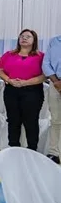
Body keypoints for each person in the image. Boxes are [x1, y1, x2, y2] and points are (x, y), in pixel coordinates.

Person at [0, 29, 46, 151]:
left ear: (34, 40)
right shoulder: (9, 54)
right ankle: (13, 147)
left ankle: (32, 149)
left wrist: (25, 83)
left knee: (31, 121)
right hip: (11, 90)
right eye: (22, 36)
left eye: (28, 36)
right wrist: (9, 79)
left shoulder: (41, 56)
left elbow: (45, 75)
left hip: (32, 92)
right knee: (13, 120)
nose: (24, 38)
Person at [42, 35, 61, 163]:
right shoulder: (54, 41)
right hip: (56, 84)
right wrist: (55, 81)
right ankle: (54, 153)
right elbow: (46, 63)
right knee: (56, 120)